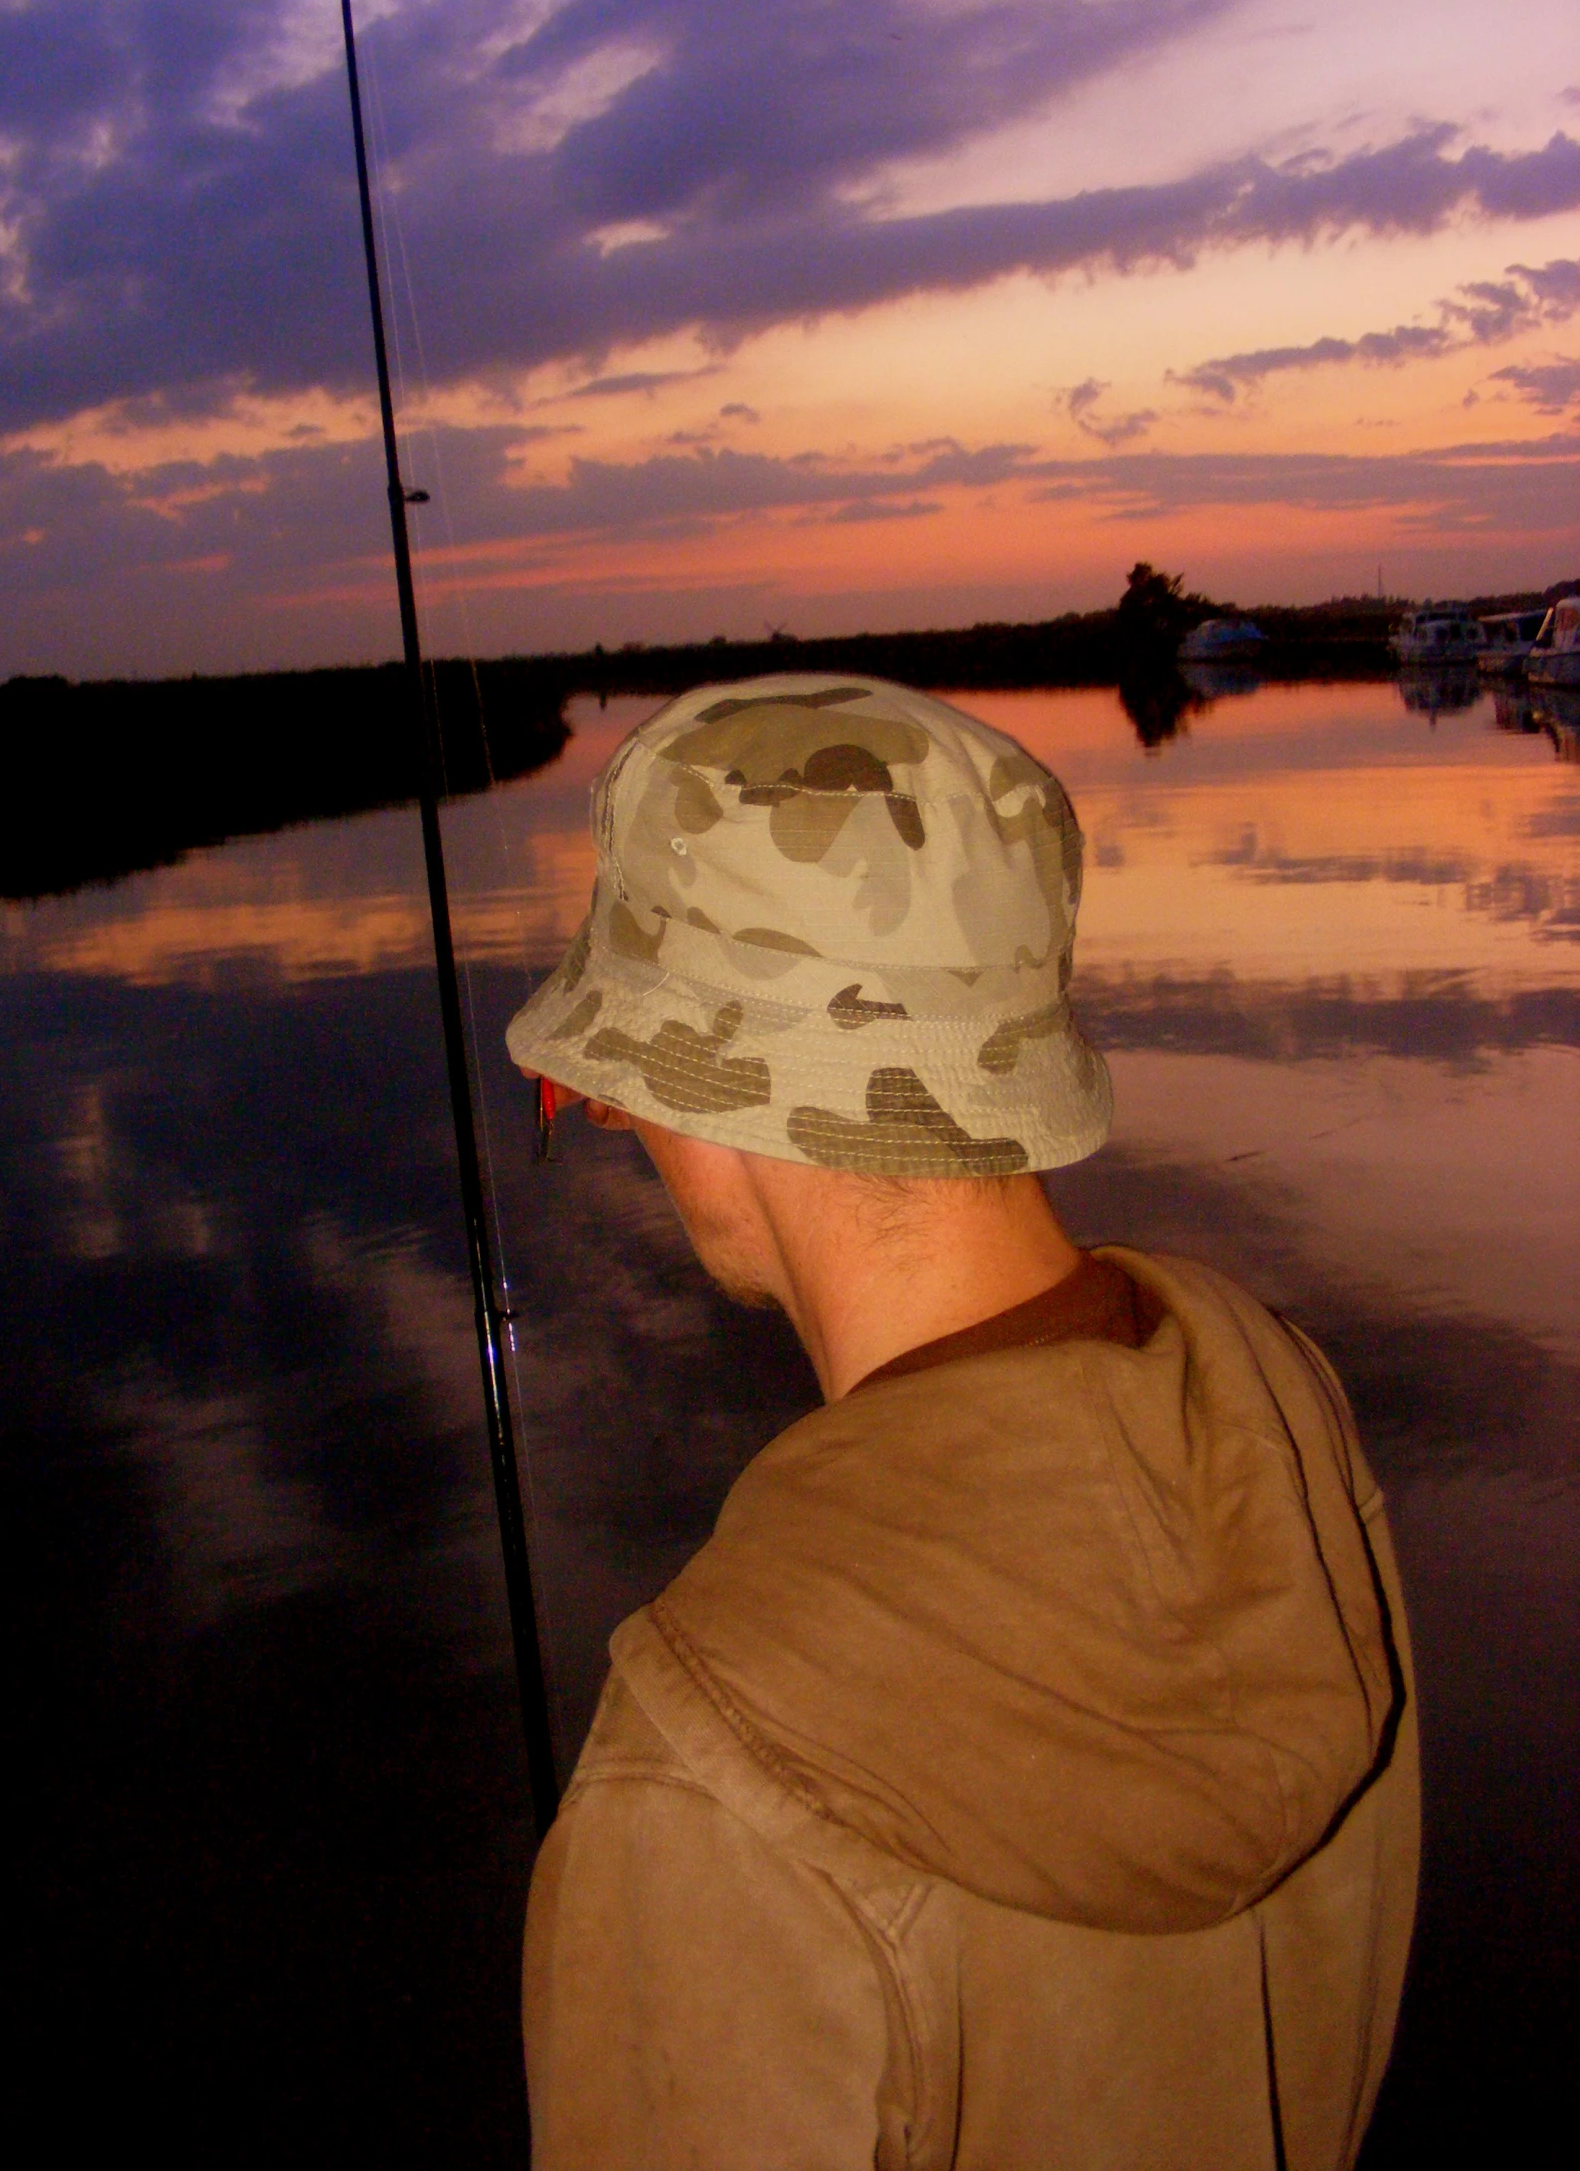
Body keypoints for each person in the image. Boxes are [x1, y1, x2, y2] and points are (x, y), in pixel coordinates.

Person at [505, 674, 1419, 2171]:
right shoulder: (1269, 1402)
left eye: (609, 1089)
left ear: (711, 1088)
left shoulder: (701, 1768)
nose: (628, 1131)